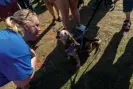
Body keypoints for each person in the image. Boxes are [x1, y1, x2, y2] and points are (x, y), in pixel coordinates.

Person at [0, 9, 40, 89]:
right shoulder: (20, 51)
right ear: (26, 26)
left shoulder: (7, 34)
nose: (39, 29)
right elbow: (24, 81)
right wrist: (34, 57)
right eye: (36, 25)